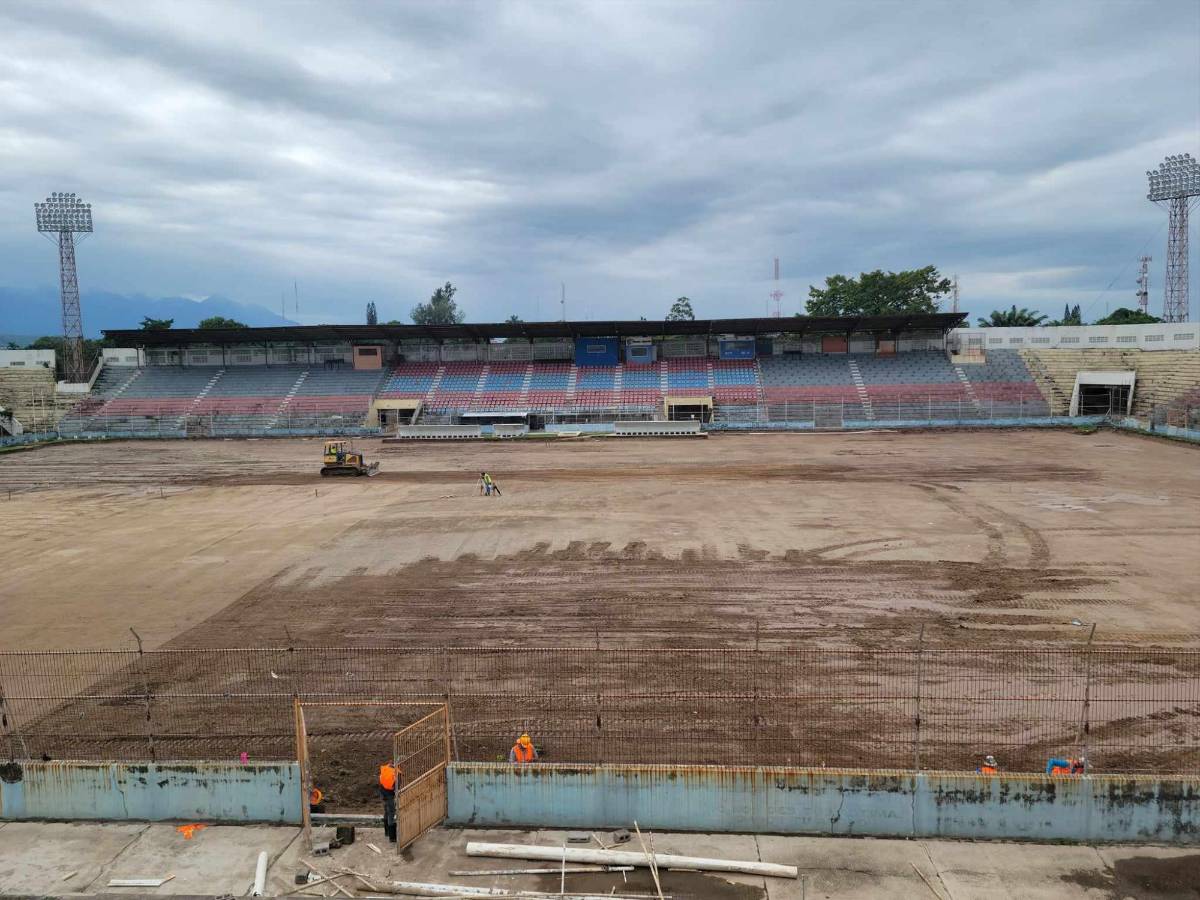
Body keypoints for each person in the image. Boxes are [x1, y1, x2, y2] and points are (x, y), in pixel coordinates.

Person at [378, 760, 400, 842]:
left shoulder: (384, 771)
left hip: (383, 795)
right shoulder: (395, 774)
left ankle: (387, 832)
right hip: (390, 796)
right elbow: (397, 788)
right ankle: (392, 837)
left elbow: (380, 784)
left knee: (386, 813)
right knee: (391, 813)